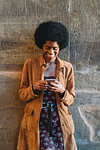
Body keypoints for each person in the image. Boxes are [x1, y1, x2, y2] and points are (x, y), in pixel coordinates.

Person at [17, 21, 77, 150]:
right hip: (38, 120)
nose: (51, 52)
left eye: (54, 48)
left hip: (59, 120)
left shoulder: (67, 67)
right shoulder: (30, 64)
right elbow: (22, 95)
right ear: (41, 46)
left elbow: (71, 99)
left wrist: (62, 91)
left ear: (60, 47)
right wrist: (35, 87)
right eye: (47, 47)